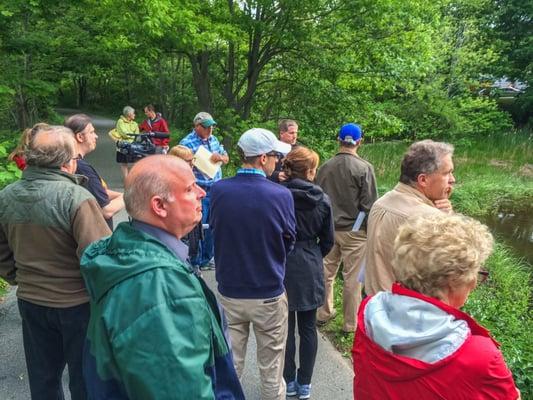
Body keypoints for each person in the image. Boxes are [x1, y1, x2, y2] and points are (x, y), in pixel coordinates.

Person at [80, 155, 244, 400]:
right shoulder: (160, 287)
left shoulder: (131, 252)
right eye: (190, 188)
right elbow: (177, 390)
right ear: (159, 206)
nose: (201, 192)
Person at [353, 214, 521, 400]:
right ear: (452, 281)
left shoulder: (371, 311)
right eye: (475, 273)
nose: (474, 283)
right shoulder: (481, 356)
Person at [0, 125, 111, 400]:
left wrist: (19, 277)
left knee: (43, 380)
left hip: (31, 301)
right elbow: (100, 259)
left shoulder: (6, 196)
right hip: (77, 307)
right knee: (84, 380)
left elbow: (1, 253)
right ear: (66, 162)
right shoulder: (76, 198)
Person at [210, 128, 296, 400]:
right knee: (271, 368)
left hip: (229, 290)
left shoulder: (219, 190)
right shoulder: (280, 195)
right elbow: (289, 241)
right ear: (262, 158)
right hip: (268, 291)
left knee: (230, 364)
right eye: (275, 157)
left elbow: (215, 229)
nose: (278, 162)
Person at [365, 139, 455, 296]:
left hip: (373, 305)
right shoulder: (430, 219)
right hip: (404, 312)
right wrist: (447, 218)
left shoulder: (381, 202)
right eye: (447, 173)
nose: (452, 179)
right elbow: (451, 276)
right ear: (423, 180)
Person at [281, 146, 334, 399]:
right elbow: (328, 240)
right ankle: (305, 384)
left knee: (286, 327)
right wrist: (313, 253)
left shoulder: (278, 196)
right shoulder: (323, 199)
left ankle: (288, 380)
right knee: (308, 327)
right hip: (310, 260)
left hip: (282, 262)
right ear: (311, 171)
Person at [315, 123, 378, 333]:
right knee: (352, 278)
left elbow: (318, 199)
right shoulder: (364, 168)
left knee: (326, 273)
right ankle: (350, 324)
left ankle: (323, 313)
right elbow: (369, 204)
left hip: (328, 229)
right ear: (360, 142)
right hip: (354, 231)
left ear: (338, 140)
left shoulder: (324, 166)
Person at [180, 111, 229, 270]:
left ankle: (208, 258)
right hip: (199, 190)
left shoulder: (214, 140)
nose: (210, 130)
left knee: (213, 227)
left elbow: (226, 158)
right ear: (197, 126)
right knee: (197, 227)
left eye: (212, 127)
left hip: (216, 190)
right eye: (206, 127)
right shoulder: (187, 143)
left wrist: (220, 158)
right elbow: (181, 166)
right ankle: (196, 261)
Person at [65, 113, 125, 230]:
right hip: (95, 237)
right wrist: (130, 198)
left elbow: (97, 192)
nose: (96, 136)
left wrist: (122, 195)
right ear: (80, 137)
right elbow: (106, 210)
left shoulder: (68, 163)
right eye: (92, 132)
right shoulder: (81, 168)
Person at [168, 145, 202, 274]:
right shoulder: (171, 182)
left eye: (193, 160)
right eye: (189, 161)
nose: (192, 164)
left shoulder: (189, 178)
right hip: (180, 234)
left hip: (192, 232)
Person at [112, 106, 139, 180]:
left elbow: (137, 134)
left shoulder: (135, 124)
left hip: (133, 146)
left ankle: (131, 178)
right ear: (129, 114)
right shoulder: (120, 121)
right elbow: (124, 133)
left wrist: (131, 136)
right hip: (123, 145)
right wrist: (132, 136)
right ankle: (126, 179)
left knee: (135, 162)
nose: (134, 115)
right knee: (124, 163)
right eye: (133, 113)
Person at [270, 119, 299, 183]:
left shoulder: (299, 152)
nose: (295, 136)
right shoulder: (270, 149)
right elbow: (260, 170)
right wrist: (276, 175)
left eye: (296, 133)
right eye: (291, 133)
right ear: (281, 133)